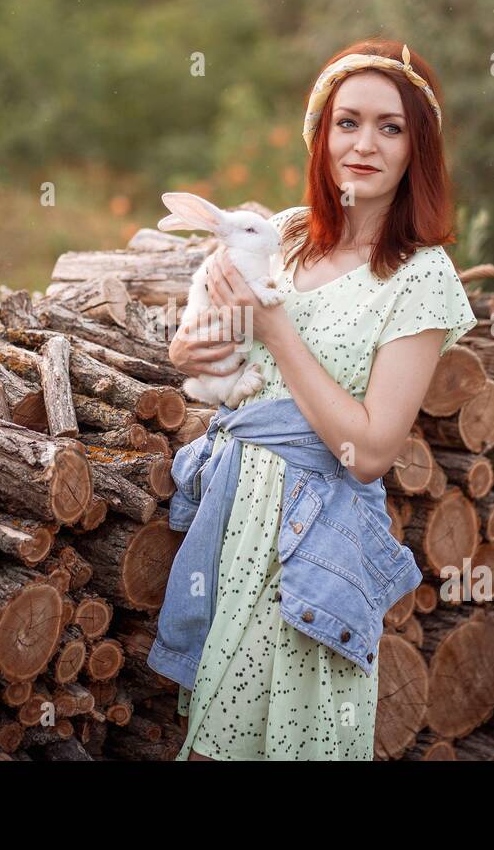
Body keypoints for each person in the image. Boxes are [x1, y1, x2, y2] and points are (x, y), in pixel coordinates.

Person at [166, 38, 477, 760]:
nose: (364, 144)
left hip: (314, 540)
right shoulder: (283, 236)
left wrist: (276, 331)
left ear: (416, 149)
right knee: (216, 737)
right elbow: (202, 346)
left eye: (390, 128)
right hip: (235, 522)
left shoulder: (419, 278)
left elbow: (368, 452)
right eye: (348, 122)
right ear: (320, 134)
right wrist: (190, 349)